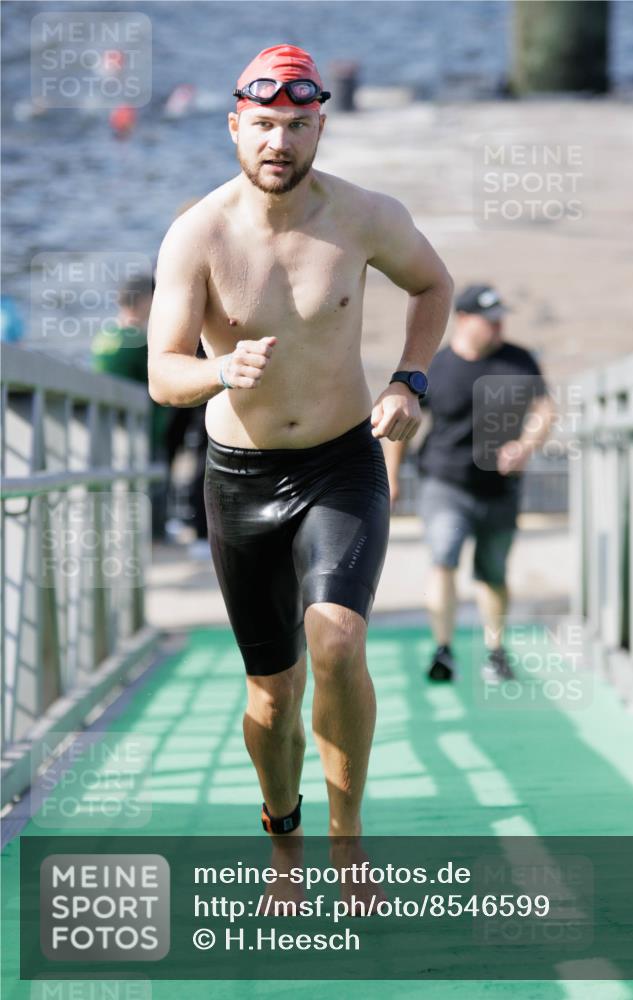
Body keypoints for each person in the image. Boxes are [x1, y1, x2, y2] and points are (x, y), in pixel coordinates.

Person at [147, 44, 454, 853]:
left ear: (320, 128)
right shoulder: (197, 234)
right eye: (262, 126)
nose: (277, 143)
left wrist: (408, 380)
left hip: (339, 462)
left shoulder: (364, 216)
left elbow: (432, 284)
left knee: (338, 636)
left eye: (295, 126)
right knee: (272, 694)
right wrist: (218, 370)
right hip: (239, 480)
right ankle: (284, 834)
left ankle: (346, 837)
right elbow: (161, 374)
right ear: (233, 128)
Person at [384, 283, 554, 684]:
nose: (498, 327)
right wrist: (392, 477)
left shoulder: (520, 359)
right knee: (444, 557)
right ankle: (443, 649)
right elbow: (404, 423)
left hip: (501, 487)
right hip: (445, 481)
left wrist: (526, 445)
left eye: (501, 320)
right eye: (489, 321)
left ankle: (495, 652)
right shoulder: (436, 367)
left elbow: (545, 408)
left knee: (492, 573)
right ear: (462, 319)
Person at [91, 273, 170, 540]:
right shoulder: (140, 341)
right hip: (143, 427)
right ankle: (155, 536)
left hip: (107, 425)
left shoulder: (105, 336)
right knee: (152, 481)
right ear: (146, 301)